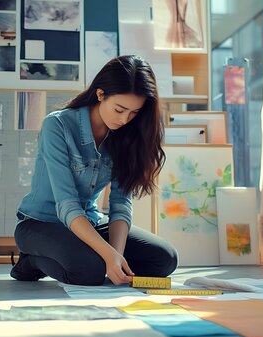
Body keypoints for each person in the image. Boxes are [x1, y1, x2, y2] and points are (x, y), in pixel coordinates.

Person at [11, 55, 178, 286]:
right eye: (119, 109)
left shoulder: (126, 135)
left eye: (134, 113)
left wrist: (116, 256)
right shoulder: (57, 125)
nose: (125, 119)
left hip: (89, 222)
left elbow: (121, 205)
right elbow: (67, 204)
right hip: (41, 223)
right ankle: (30, 262)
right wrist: (108, 256)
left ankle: (94, 258)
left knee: (164, 260)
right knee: (89, 271)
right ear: (101, 95)